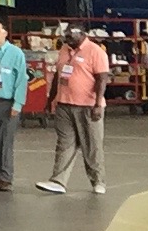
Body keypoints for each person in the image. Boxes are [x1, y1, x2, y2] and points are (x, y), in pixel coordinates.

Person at [35, 25, 110, 193]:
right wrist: (51, 99)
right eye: (65, 36)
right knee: (64, 144)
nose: (66, 39)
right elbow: (58, 76)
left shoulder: (96, 51)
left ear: (81, 35)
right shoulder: (64, 49)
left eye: (70, 36)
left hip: (88, 106)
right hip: (64, 105)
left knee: (91, 145)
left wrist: (98, 104)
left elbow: (102, 79)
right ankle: (58, 181)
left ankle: (98, 181)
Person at [0, 18, 29, 190]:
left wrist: (18, 104)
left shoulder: (16, 53)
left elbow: (21, 80)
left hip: (8, 102)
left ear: (5, 33)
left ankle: (6, 178)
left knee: (5, 142)